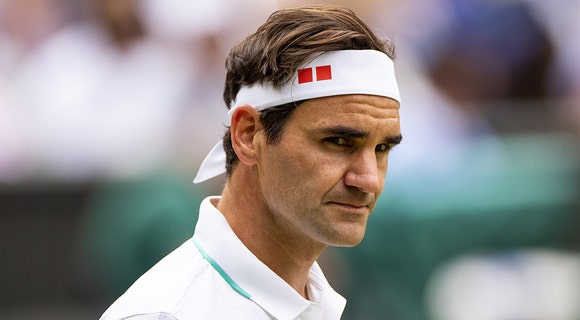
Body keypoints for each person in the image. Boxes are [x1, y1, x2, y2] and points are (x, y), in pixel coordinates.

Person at [100, 4, 402, 320]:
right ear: (247, 136)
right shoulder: (164, 315)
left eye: (382, 148)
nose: (369, 179)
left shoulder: (319, 301)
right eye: (338, 142)